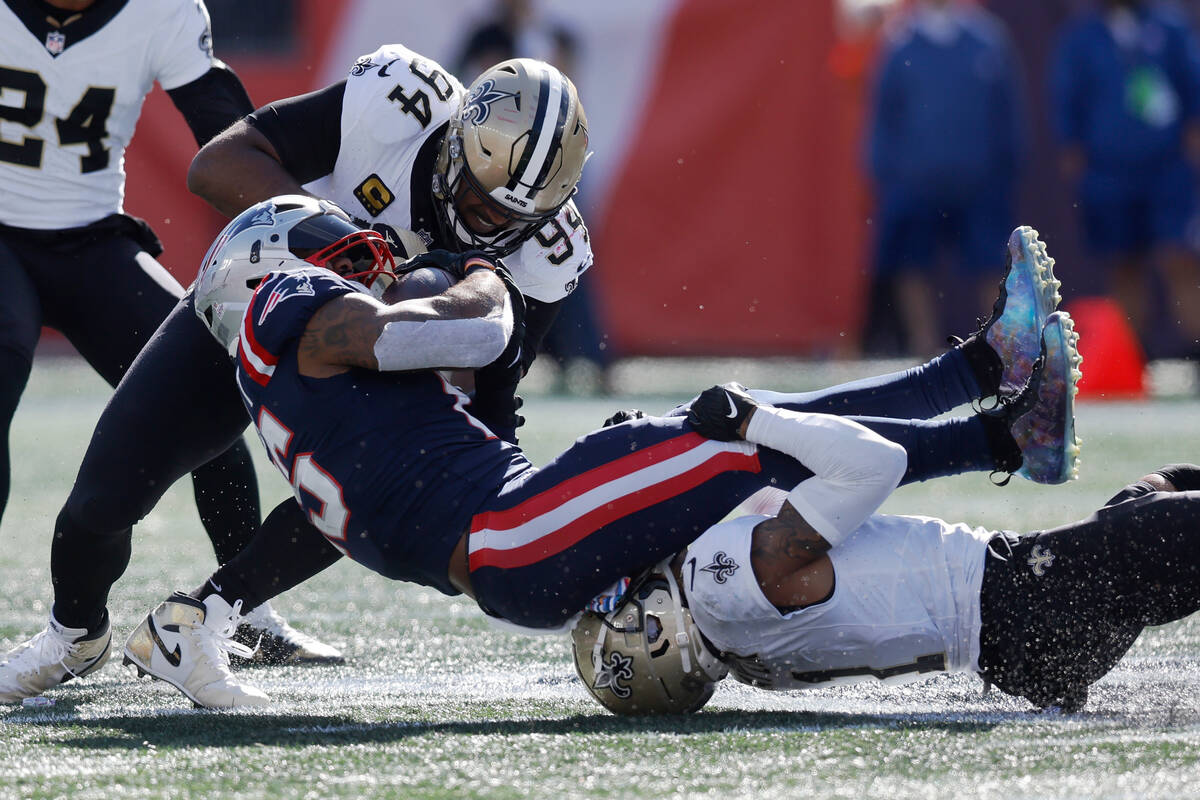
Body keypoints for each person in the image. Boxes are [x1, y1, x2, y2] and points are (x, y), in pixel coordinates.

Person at [100, 200, 1076, 708]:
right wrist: (485, 272)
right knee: (748, 436)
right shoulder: (290, 308)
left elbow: (426, 452)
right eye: (339, 256)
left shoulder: (287, 406)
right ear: (268, 273)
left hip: (512, 546)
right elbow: (467, 332)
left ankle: (986, 381)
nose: (366, 265)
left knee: (747, 430)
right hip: (520, 531)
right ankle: (998, 422)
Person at [0, 43, 592, 702]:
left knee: (400, 480)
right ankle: (75, 634)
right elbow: (217, 164)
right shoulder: (399, 104)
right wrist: (341, 245)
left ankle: (213, 614)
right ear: (456, 148)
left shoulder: (549, 256)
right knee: (101, 502)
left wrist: (496, 511)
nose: (491, 228)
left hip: (377, 377)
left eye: (515, 221)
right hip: (263, 303)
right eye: (483, 206)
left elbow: (492, 401)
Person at [0, 0, 337, 681]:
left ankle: (243, 613)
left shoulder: (161, 9)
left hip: (93, 237)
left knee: (207, 384)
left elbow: (222, 124)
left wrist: (294, 218)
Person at [864, 0, 1027, 356]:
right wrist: (885, 174)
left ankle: (992, 349)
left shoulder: (986, 39)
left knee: (990, 265)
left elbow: (1007, 112)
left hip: (978, 180)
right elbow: (883, 116)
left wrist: (1007, 165)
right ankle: (924, 347)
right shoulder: (899, 42)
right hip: (915, 181)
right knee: (912, 264)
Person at [1050, 0, 1200, 359]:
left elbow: (1192, 85)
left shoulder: (1169, 26)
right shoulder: (1082, 34)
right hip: (1109, 170)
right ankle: (1134, 356)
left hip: (1167, 167)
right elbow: (1067, 98)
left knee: (1179, 257)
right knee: (1123, 263)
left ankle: (1196, 350)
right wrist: (1074, 153)